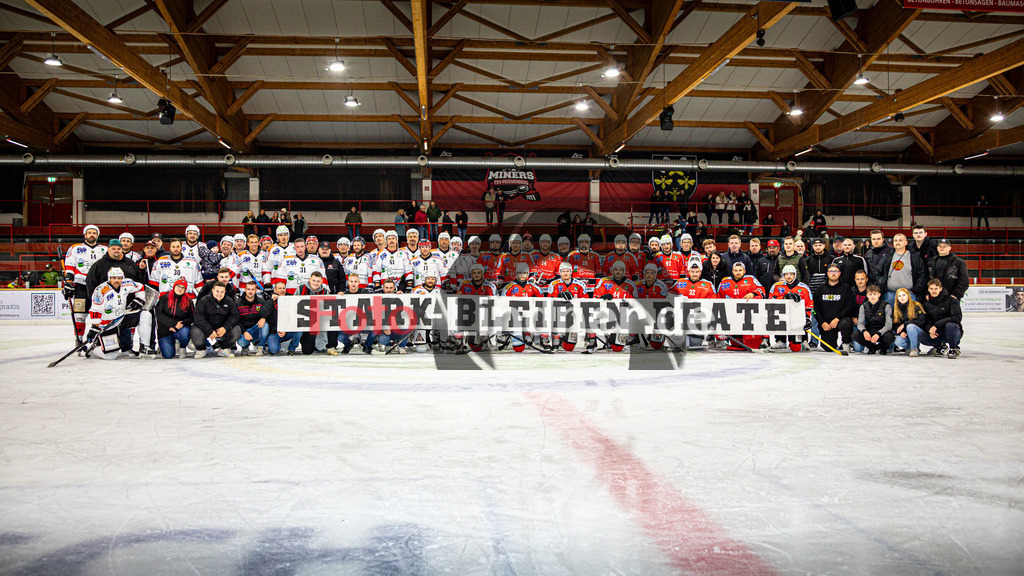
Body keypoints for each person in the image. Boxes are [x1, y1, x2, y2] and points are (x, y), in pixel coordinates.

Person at [85, 266, 146, 360]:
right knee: (111, 356)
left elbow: (140, 287)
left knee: (145, 315)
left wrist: (139, 299)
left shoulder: (127, 283)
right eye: (114, 278)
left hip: (122, 318)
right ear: (109, 278)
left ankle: (145, 348)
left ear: (123, 278)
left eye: (119, 278)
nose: (116, 280)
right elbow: (95, 310)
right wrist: (95, 327)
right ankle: (95, 348)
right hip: (108, 325)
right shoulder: (100, 290)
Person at [64, 224, 107, 345]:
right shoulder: (75, 248)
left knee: (99, 314)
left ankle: (97, 340)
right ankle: (79, 340)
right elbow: (69, 265)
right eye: (89, 233)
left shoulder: (104, 249)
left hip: (98, 287)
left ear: (97, 235)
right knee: (79, 315)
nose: (92, 235)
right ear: (85, 235)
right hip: (80, 286)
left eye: (94, 233)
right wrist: (68, 283)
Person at [768, 265, 813, 352]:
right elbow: (770, 299)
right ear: (783, 276)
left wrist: (806, 318)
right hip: (781, 316)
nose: (789, 276)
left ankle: (803, 340)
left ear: (795, 275)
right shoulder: (777, 286)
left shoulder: (803, 288)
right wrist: (784, 298)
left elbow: (809, 304)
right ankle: (781, 340)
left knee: (795, 348)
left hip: (797, 319)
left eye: (791, 274)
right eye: (786, 274)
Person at [191, 281, 241, 358]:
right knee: (195, 330)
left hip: (222, 328)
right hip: (207, 328)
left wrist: (225, 328)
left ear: (225, 292)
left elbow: (234, 316)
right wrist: (209, 331)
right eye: (217, 291)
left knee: (237, 330)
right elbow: (198, 317)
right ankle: (201, 349)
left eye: (222, 292)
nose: (219, 294)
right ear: (212, 290)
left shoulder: (229, 301)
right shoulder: (204, 301)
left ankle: (224, 348)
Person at [813, 264, 855, 353]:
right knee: (828, 348)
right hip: (827, 323)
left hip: (840, 320)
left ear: (839, 273)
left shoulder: (846, 288)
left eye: (835, 271)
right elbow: (815, 308)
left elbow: (849, 307)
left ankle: (846, 343)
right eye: (831, 271)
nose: (833, 274)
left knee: (846, 323)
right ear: (827, 273)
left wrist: (837, 319)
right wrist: (822, 322)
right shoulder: (820, 289)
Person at [920, 278, 963, 358]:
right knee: (921, 336)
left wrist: (936, 325)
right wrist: (930, 330)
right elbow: (927, 321)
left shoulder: (951, 301)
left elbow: (957, 318)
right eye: (931, 289)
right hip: (938, 332)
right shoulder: (926, 304)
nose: (934, 291)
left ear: (941, 289)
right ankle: (940, 346)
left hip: (952, 331)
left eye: (936, 288)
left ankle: (953, 348)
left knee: (950, 325)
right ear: (928, 290)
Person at [154, 277, 194, 359]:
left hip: (181, 328)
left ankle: (182, 347)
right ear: (174, 286)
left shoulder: (189, 301)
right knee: (168, 355)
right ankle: (167, 344)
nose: (180, 289)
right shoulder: (164, 298)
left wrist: (180, 323)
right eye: (178, 286)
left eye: (183, 287)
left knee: (185, 332)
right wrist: (173, 324)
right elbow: (159, 314)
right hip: (165, 329)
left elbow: (192, 317)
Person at [880, 233, 926, 304]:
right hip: (890, 294)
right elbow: (879, 272)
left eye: (900, 240)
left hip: (909, 293)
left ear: (906, 243)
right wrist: (883, 287)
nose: (897, 242)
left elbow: (922, 275)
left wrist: (915, 290)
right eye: (895, 240)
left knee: (910, 314)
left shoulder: (914, 257)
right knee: (889, 314)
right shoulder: (887, 256)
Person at [853, 284, 894, 355]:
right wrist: (864, 331)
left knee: (890, 336)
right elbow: (860, 323)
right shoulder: (863, 306)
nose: (872, 296)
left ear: (879, 295)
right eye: (870, 294)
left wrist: (879, 333)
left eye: (875, 294)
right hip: (870, 330)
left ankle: (883, 348)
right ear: (867, 295)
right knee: (855, 335)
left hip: (882, 331)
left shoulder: (886, 306)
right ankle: (871, 347)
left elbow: (888, 325)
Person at [264, 279, 299, 355]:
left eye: (284, 288)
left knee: (299, 330)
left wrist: (286, 330)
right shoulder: (270, 301)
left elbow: (295, 317)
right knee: (273, 350)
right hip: (275, 332)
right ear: (275, 290)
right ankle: (276, 344)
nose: (282, 290)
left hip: (288, 331)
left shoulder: (291, 299)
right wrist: (271, 301)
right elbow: (263, 313)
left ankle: (292, 348)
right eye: (279, 288)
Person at [234, 281, 269, 356]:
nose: (250, 291)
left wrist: (263, 317)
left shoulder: (261, 302)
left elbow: (268, 313)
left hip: (256, 329)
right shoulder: (237, 303)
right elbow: (236, 320)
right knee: (242, 342)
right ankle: (245, 347)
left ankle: (260, 347)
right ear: (245, 290)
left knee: (265, 325)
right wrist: (244, 332)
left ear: (256, 290)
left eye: (252, 289)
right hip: (243, 331)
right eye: (248, 289)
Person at [892, 288, 926, 357]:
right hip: (906, 334)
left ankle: (914, 348)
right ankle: (911, 347)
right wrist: (901, 332)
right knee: (897, 341)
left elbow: (921, 321)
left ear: (908, 295)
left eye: (904, 295)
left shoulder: (916, 305)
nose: (902, 298)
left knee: (910, 326)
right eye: (899, 296)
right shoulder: (896, 309)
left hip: (919, 332)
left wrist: (905, 324)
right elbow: (895, 324)